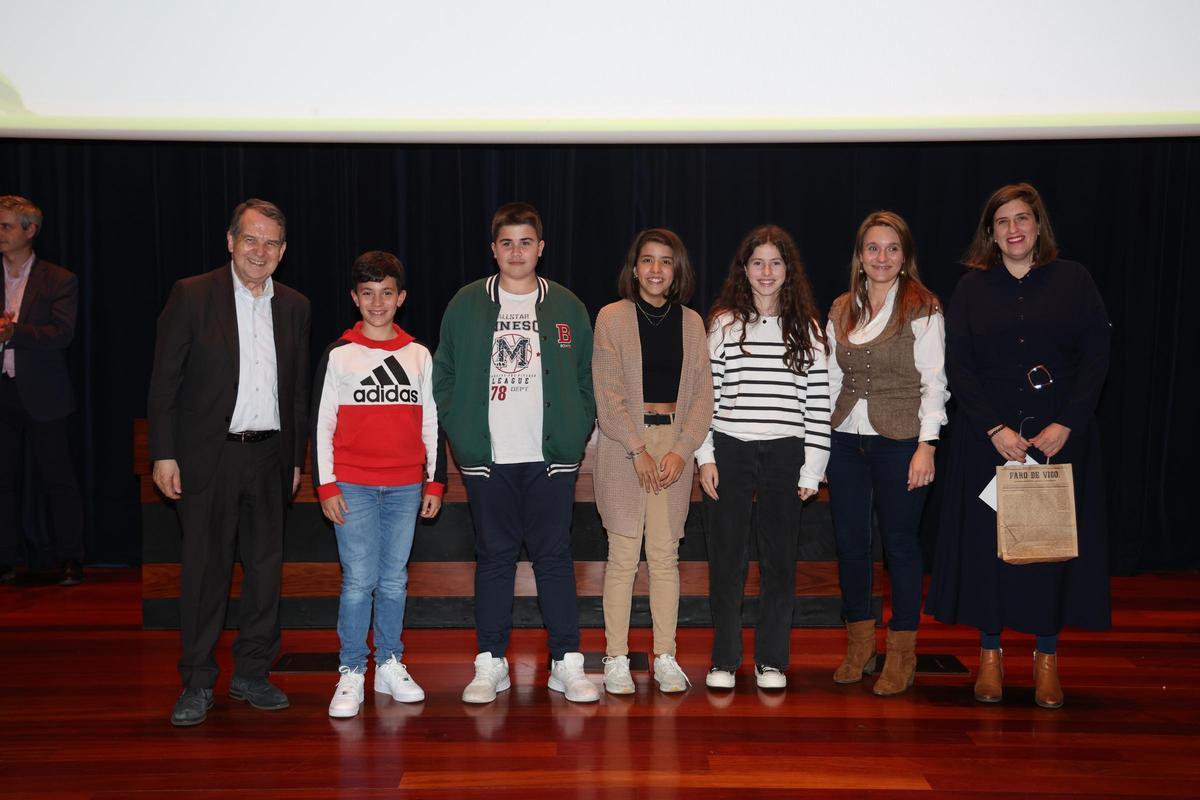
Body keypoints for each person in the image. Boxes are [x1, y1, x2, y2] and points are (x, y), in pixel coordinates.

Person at [926, 183, 1111, 709]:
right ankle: (990, 656)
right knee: (992, 553)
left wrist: (1068, 425)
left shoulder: (1074, 280)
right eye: (1003, 221)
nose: (1013, 229)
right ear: (990, 232)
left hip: (1058, 442)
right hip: (992, 444)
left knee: (1048, 552)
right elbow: (957, 364)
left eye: (1023, 219)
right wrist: (993, 429)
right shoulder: (971, 289)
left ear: (1038, 226)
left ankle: (1046, 659)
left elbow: (1097, 356)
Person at [148, 199, 311, 727]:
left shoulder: (294, 305)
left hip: (270, 457)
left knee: (265, 573)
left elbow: (298, 389)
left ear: (283, 252)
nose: (259, 251)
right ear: (230, 241)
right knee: (205, 573)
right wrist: (164, 452)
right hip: (207, 457)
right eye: (251, 239)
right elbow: (164, 382)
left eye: (270, 243)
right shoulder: (192, 295)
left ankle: (253, 674)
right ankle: (196, 680)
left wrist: (294, 460)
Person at [432, 202, 599, 704]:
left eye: (526, 242)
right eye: (507, 243)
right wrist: (463, 432)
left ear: (541, 248)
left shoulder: (567, 305)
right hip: (489, 458)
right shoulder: (466, 303)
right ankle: (491, 661)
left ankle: (566, 661)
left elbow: (586, 377)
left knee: (553, 556)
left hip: (550, 458)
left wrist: (574, 431)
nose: (517, 251)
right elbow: (444, 376)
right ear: (494, 249)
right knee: (495, 558)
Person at [696, 224, 830, 691]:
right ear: (744, 270)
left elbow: (818, 403)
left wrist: (814, 466)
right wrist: (705, 456)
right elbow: (704, 397)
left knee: (779, 562)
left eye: (775, 262)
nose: (766, 272)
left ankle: (771, 660)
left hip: (787, 452)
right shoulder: (723, 323)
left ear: (788, 270)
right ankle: (724, 660)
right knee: (727, 560)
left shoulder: (809, 329)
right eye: (757, 263)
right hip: (730, 449)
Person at [312, 251, 446, 717]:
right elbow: (322, 424)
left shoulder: (419, 354)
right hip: (353, 486)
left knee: (393, 580)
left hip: (407, 486)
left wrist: (435, 482)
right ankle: (352, 671)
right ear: (354, 297)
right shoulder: (339, 355)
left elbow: (432, 421)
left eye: (386, 293)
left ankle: (389, 662)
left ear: (401, 298)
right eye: (367, 293)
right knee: (358, 581)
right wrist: (326, 485)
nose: (377, 302)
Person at [825, 211, 947, 696]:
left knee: (900, 546)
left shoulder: (923, 305)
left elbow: (934, 383)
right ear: (860, 255)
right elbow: (832, 379)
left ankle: (902, 653)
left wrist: (927, 446)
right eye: (872, 248)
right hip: (845, 441)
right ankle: (859, 646)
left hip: (901, 442)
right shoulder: (840, 307)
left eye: (891, 248)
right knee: (852, 545)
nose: (881, 257)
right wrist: (821, 441)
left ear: (904, 256)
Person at [592, 228, 712, 695]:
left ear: (677, 270)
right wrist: (637, 448)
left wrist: (683, 449)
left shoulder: (692, 323)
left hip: (675, 448)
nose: (656, 269)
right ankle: (617, 657)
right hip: (627, 446)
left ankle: (665, 655)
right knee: (622, 557)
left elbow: (703, 395)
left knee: (664, 557)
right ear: (634, 267)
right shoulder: (611, 318)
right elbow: (607, 392)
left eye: (666, 261)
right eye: (648, 260)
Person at [0, 195, 84, 587]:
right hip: (3, 393)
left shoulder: (58, 279)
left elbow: (62, 334)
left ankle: (70, 557)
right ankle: (6, 559)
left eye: (6, 226)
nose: (0, 234)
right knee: (4, 481)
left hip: (43, 394)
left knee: (58, 479)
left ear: (29, 231)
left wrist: (15, 332)